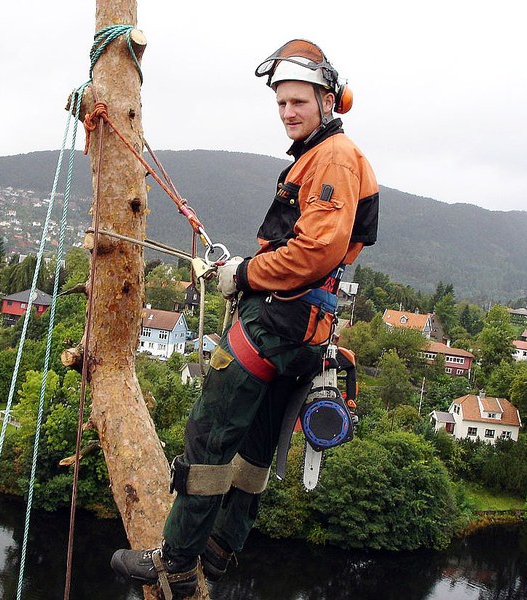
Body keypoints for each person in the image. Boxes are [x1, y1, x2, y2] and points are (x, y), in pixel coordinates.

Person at [111, 39, 379, 598]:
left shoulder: (331, 158)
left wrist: (246, 275)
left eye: (298, 102)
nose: (287, 113)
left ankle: (176, 564)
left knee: (207, 441)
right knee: (255, 451)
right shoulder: (326, 156)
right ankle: (218, 549)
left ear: (329, 100)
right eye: (281, 102)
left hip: (274, 328)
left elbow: (317, 251)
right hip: (304, 334)